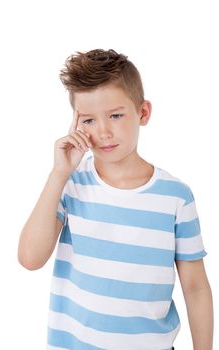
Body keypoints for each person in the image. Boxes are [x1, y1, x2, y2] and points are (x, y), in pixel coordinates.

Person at [18, 49, 214, 350]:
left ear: (143, 113)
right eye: (88, 121)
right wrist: (58, 174)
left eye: (116, 115)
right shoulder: (69, 184)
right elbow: (30, 258)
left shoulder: (176, 197)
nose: (104, 131)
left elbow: (196, 287)